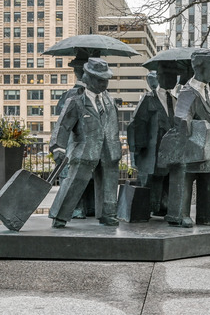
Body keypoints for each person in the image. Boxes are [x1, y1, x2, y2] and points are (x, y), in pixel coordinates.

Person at [49, 58, 122, 227]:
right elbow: (62, 126)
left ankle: (108, 213)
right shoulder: (75, 101)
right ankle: (60, 216)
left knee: (109, 182)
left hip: (109, 149)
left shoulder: (109, 100)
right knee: (74, 181)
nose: (104, 83)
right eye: (100, 79)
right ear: (88, 78)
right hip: (84, 149)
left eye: (106, 80)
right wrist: (57, 147)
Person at [164, 49, 210, 227]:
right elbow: (181, 118)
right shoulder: (188, 91)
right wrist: (188, 129)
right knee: (185, 179)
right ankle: (179, 214)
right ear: (200, 67)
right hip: (193, 147)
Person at [127, 64, 177, 215]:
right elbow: (137, 123)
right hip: (151, 150)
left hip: (169, 150)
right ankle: (147, 208)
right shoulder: (148, 99)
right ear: (160, 78)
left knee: (167, 179)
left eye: (174, 77)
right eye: (169, 77)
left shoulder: (175, 100)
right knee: (150, 180)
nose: (173, 80)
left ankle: (163, 206)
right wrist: (138, 149)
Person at [54, 56, 94, 218]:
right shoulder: (73, 94)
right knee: (74, 176)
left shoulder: (89, 93)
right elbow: (63, 117)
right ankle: (76, 208)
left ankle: (87, 207)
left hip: (86, 143)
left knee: (84, 176)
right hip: (76, 142)